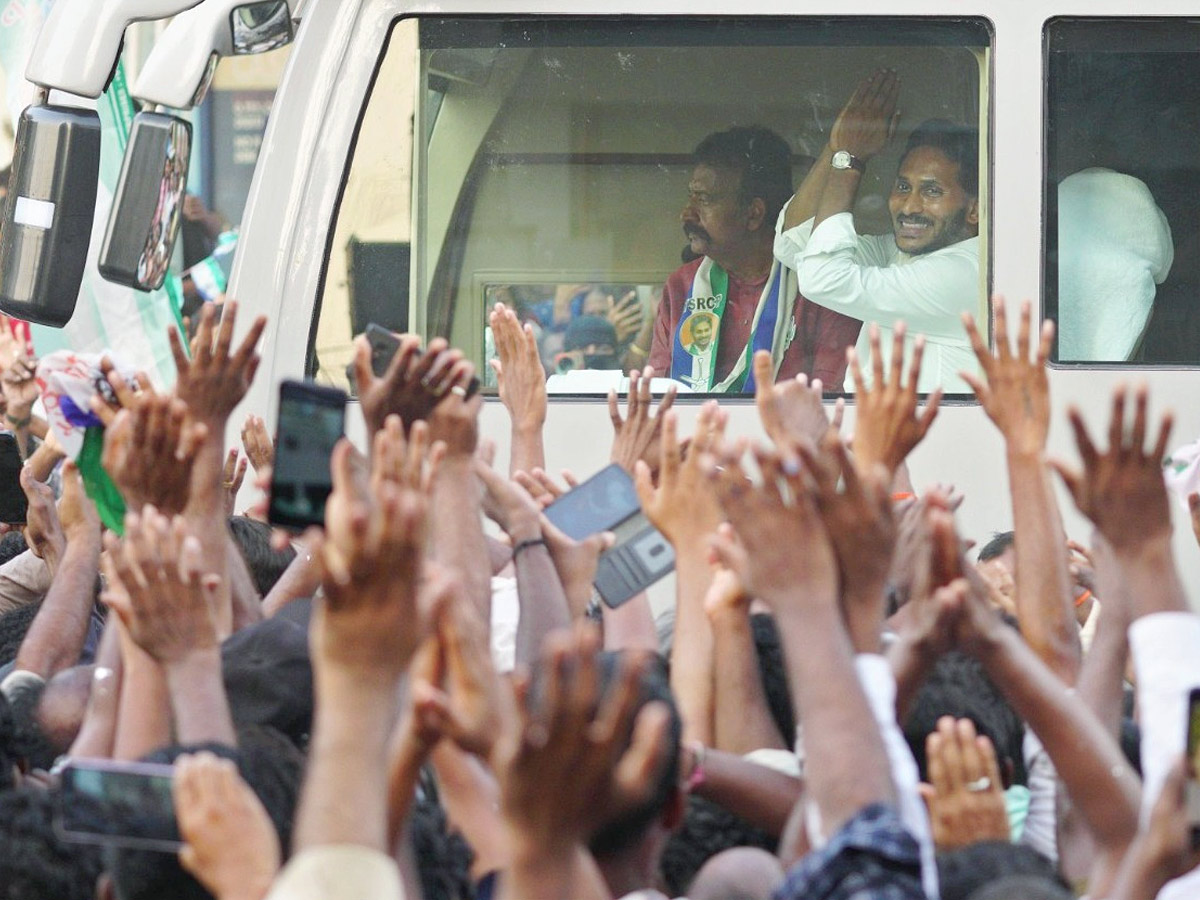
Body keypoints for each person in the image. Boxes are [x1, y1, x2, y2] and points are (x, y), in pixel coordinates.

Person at [774, 69, 981, 393]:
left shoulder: (968, 273)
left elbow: (823, 278)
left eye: (932, 191)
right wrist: (838, 146)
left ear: (975, 209)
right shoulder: (900, 254)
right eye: (903, 186)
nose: (909, 206)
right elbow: (795, 244)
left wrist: (850, 159)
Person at [648, 126, 860, 393]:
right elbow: (657, 396)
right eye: (691, 197)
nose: (686, 214)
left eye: (703, 200)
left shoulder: (821, 288)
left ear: (753, 214)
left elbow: (830, 403)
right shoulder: (682, 286)